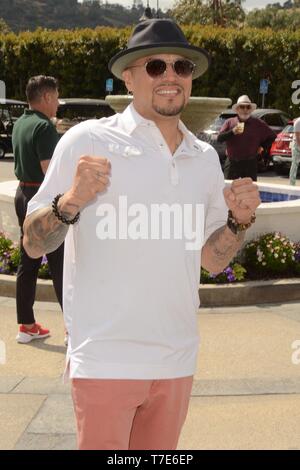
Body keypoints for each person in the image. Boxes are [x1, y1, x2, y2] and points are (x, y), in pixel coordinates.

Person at [22, 19, 260, 450]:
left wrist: (237, 222)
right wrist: (71, 200)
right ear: (128, 76)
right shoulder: (87, 139)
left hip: (176, 358)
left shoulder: (204, 157)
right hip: (105, 360)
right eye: (155, 66)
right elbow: (33, 242)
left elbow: (210, 260)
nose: (170, 76)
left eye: (181, 66)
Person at [12, 75, 64, 344]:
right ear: (45, 97)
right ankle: (73, 328)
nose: (57, 102)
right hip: (42, 198)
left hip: (23, 194)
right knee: (60, 263)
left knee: (29, 261)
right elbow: (49, 172)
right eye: (55, 97)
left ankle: (26, 324)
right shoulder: (44, 128)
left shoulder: (21, 122)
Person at [217, 95, 276, 181]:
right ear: (237, 109)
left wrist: (262, 146)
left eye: (248, 107)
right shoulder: (230, 122)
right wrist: (233, 132)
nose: (245, 110)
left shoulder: (258, 123)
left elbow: (273, 136)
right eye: (242, 107)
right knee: (228, 189)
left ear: (250, 110)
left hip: (250, 163)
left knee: (250, 191)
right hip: (232, 162)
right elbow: (219, 138)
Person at [289, 117, 300, 185]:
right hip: (297, 145)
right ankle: (292, 184)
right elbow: (297, 137)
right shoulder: (298, 122)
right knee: (295, 164)